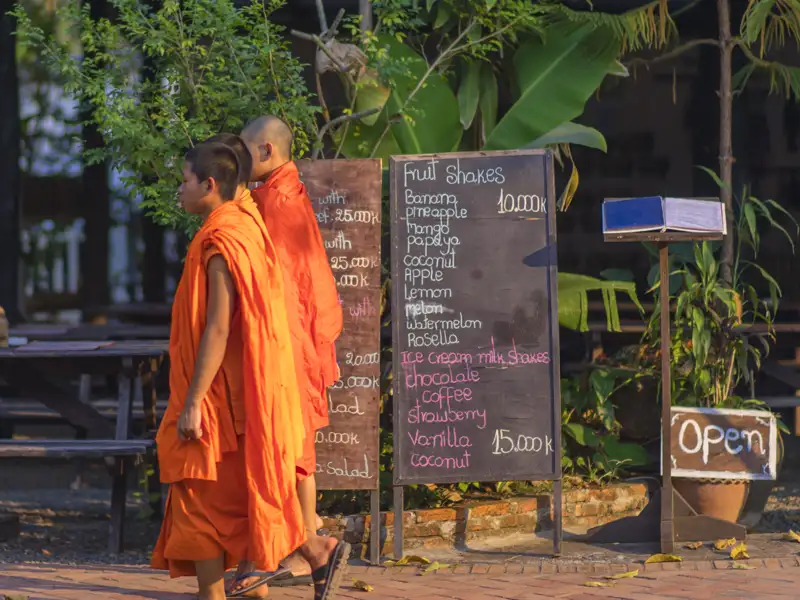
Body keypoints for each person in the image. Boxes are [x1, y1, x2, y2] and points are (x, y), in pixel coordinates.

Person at [150, 141, 349, 600]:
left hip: (219, 399)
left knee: (200, 503)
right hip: (250, 400)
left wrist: (194, 400)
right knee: (241, 508)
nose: (179, 190)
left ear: (209, 184)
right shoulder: (248, 225)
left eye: (184, 181)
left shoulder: (223, 240)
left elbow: (218, 328)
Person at [206, 131, 348, 599]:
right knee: (292, 453)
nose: (240, 159)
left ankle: (273, 557)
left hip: (283, 347)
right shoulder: (282, 191)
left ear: (266, 151)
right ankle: (308, 548)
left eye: (245, 149)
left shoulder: (277, 203)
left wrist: (268, 361)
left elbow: (281, 293)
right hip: (293, 344)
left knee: (276, 449)